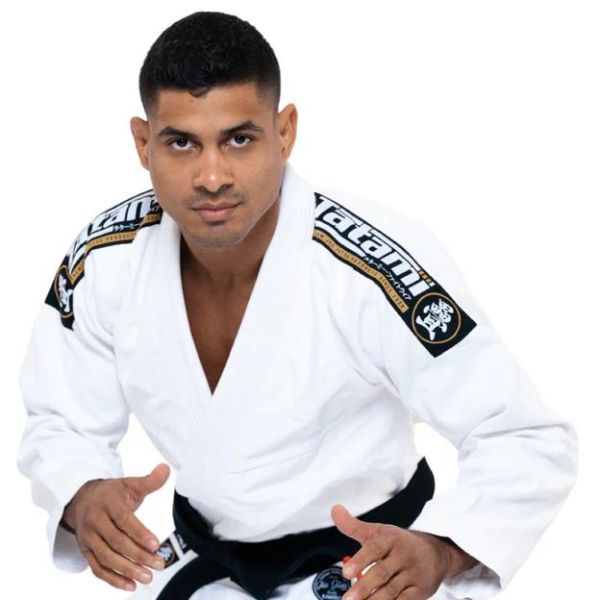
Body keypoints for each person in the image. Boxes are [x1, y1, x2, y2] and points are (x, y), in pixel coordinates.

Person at [16, 10, 578, 600]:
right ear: (142, 143)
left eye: (239, 139)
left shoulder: (374, 268)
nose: (211, 176)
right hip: (209, 566)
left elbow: (524, 437)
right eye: (181, 143)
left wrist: (443, 547)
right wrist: (81, 492)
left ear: (284, 132)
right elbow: (60, 417)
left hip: (373, 570)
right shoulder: (105, 257)